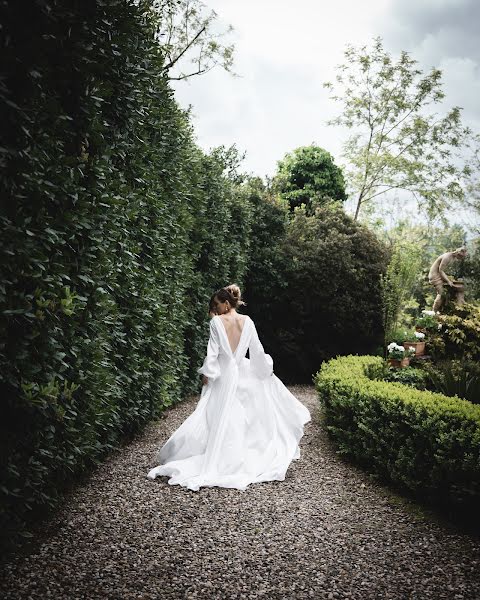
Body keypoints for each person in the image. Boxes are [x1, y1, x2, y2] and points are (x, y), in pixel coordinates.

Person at [147, 283, 311, 491]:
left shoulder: (216, 322)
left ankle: (221, 456)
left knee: (218, 416)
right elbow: (257, 351)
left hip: (225, 376)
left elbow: (213, 353)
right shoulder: (248, 321)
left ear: (226, 303)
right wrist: (264, 370)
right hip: (243, 372)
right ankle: (239, 457)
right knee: (246, 419)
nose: (215, 309)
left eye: (217, 304)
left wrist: (209, 373)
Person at [428, 247, 467, 312]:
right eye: (461, 257)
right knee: (441, 294)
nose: (460, 259)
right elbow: (441, 270)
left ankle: (445, 309)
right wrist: (448, 281)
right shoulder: (447, 257)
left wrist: (450, 278)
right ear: (458, 254)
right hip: (435, 276)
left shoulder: (452, 257)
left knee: (453, 290)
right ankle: (434, 312)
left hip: (439, 274)